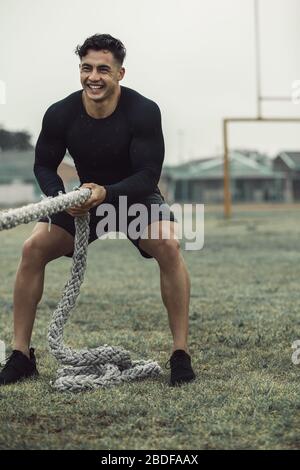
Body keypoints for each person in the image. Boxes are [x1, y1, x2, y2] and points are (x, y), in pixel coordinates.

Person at [0, 34, 195, 387]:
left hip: (133, 196)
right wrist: (61, 196)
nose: (94, 76)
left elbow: (149, 174)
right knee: (32, 249)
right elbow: (44, 165)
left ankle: (180, 353)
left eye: (103, 69)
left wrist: (106, 193)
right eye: (87, 68)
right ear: (80, 71)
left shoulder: (144, 111)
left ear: (120, 73)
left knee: (169, 245)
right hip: (83, 200)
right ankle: (21, 355)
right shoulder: (60, 113)